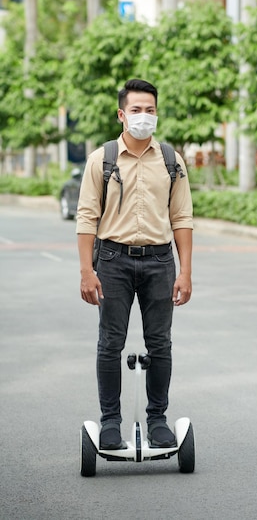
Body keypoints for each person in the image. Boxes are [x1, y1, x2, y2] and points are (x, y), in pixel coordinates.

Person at [76, 78, 193, 450]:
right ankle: (110, 422)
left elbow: (182, 218)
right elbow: (86, 218)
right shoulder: (102, 159)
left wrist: (185, 271)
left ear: (157, 114)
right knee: (110, 343)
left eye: (150, 110)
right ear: (121, 114)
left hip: (160, 261)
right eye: (137, 110)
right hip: (112, 260)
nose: (144, 117)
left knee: (160, 343)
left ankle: (158, 419)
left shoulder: (172, 160)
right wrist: (86, 271)